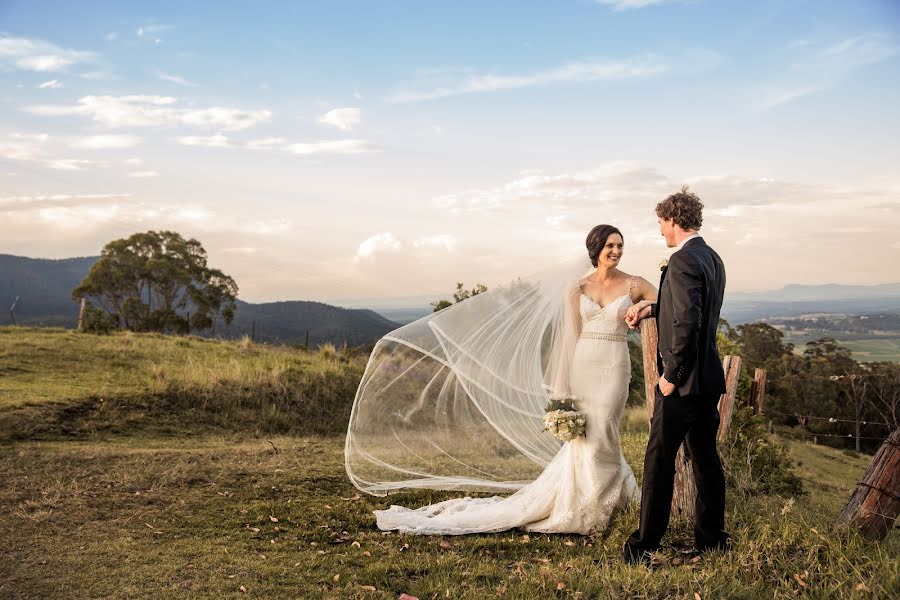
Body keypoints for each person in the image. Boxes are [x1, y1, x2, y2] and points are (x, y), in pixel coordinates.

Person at [345, 225, 657, 535]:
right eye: (610, 246)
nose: (616, 251)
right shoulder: (576, 288)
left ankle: (601, 503)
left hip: (614, 365)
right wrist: (563, 387)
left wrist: (643, 307)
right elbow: (570, 337)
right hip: (583, 364)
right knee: (587, 435)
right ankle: (592, 502)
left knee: (605, 427)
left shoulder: (635, 284)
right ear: (596, 250)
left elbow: (664, 304)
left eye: (619, 246)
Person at [622, 187, 731, 566]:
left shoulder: (683, 260)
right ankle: (712, 540)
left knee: (658, 462)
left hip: (683, 383)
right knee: (705, 460)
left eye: (661, 223)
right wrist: (651, 307)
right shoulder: (711, 257)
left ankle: (642, 548)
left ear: (673, 219)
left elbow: (688, 323)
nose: (660, 232)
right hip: (708, 381)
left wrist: (671, 375)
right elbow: (688, 308)